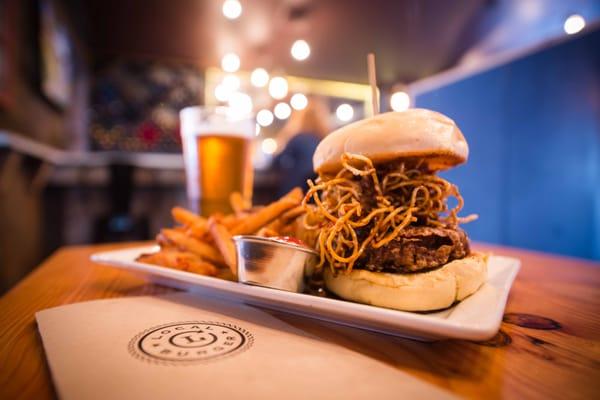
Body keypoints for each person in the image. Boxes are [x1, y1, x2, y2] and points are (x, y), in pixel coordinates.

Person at [271, 96, 331, 197]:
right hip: (318, 190)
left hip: (295, 189)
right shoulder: (324, 140)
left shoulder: (298, 138)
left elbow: (276, 161)